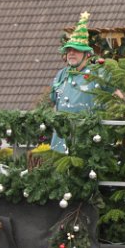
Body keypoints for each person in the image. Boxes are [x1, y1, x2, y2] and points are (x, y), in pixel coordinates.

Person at [50, 11, 100, 154]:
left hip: (89, 142)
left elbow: (116, 98)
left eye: (77, 50)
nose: (71, 53)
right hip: (61, 141)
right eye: (69, 50)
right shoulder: (61, 74)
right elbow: (53, 103)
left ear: (87, 54)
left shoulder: (99, 74)